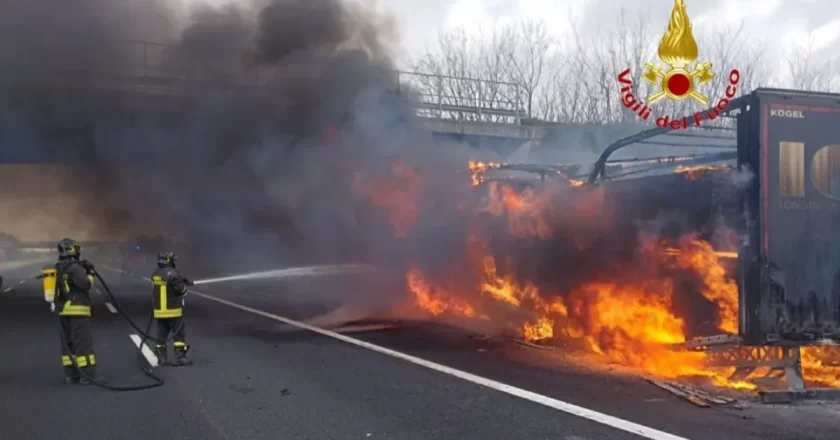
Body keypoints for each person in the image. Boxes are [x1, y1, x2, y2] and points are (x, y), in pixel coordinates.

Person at [54, 238, 98, 384]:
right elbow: (85, 284)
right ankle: (87, 376)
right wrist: (90, 273)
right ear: (72, 250)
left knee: (68, 343)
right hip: (78, 310)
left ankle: (72, 375)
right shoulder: (76, 268)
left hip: (63, 310)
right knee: (83, 343)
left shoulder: (58, 267)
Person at [151, 252, 194, 366]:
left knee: (161, 334)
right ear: (168, 260)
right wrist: (183, 284)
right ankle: (179, 357)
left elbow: (166, 285)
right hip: (173, 311)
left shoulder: (155, 273)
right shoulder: (173, 273)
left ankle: (161, 357)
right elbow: (181, 290)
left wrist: (181, 280)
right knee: (178, 333)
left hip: (159, 311)